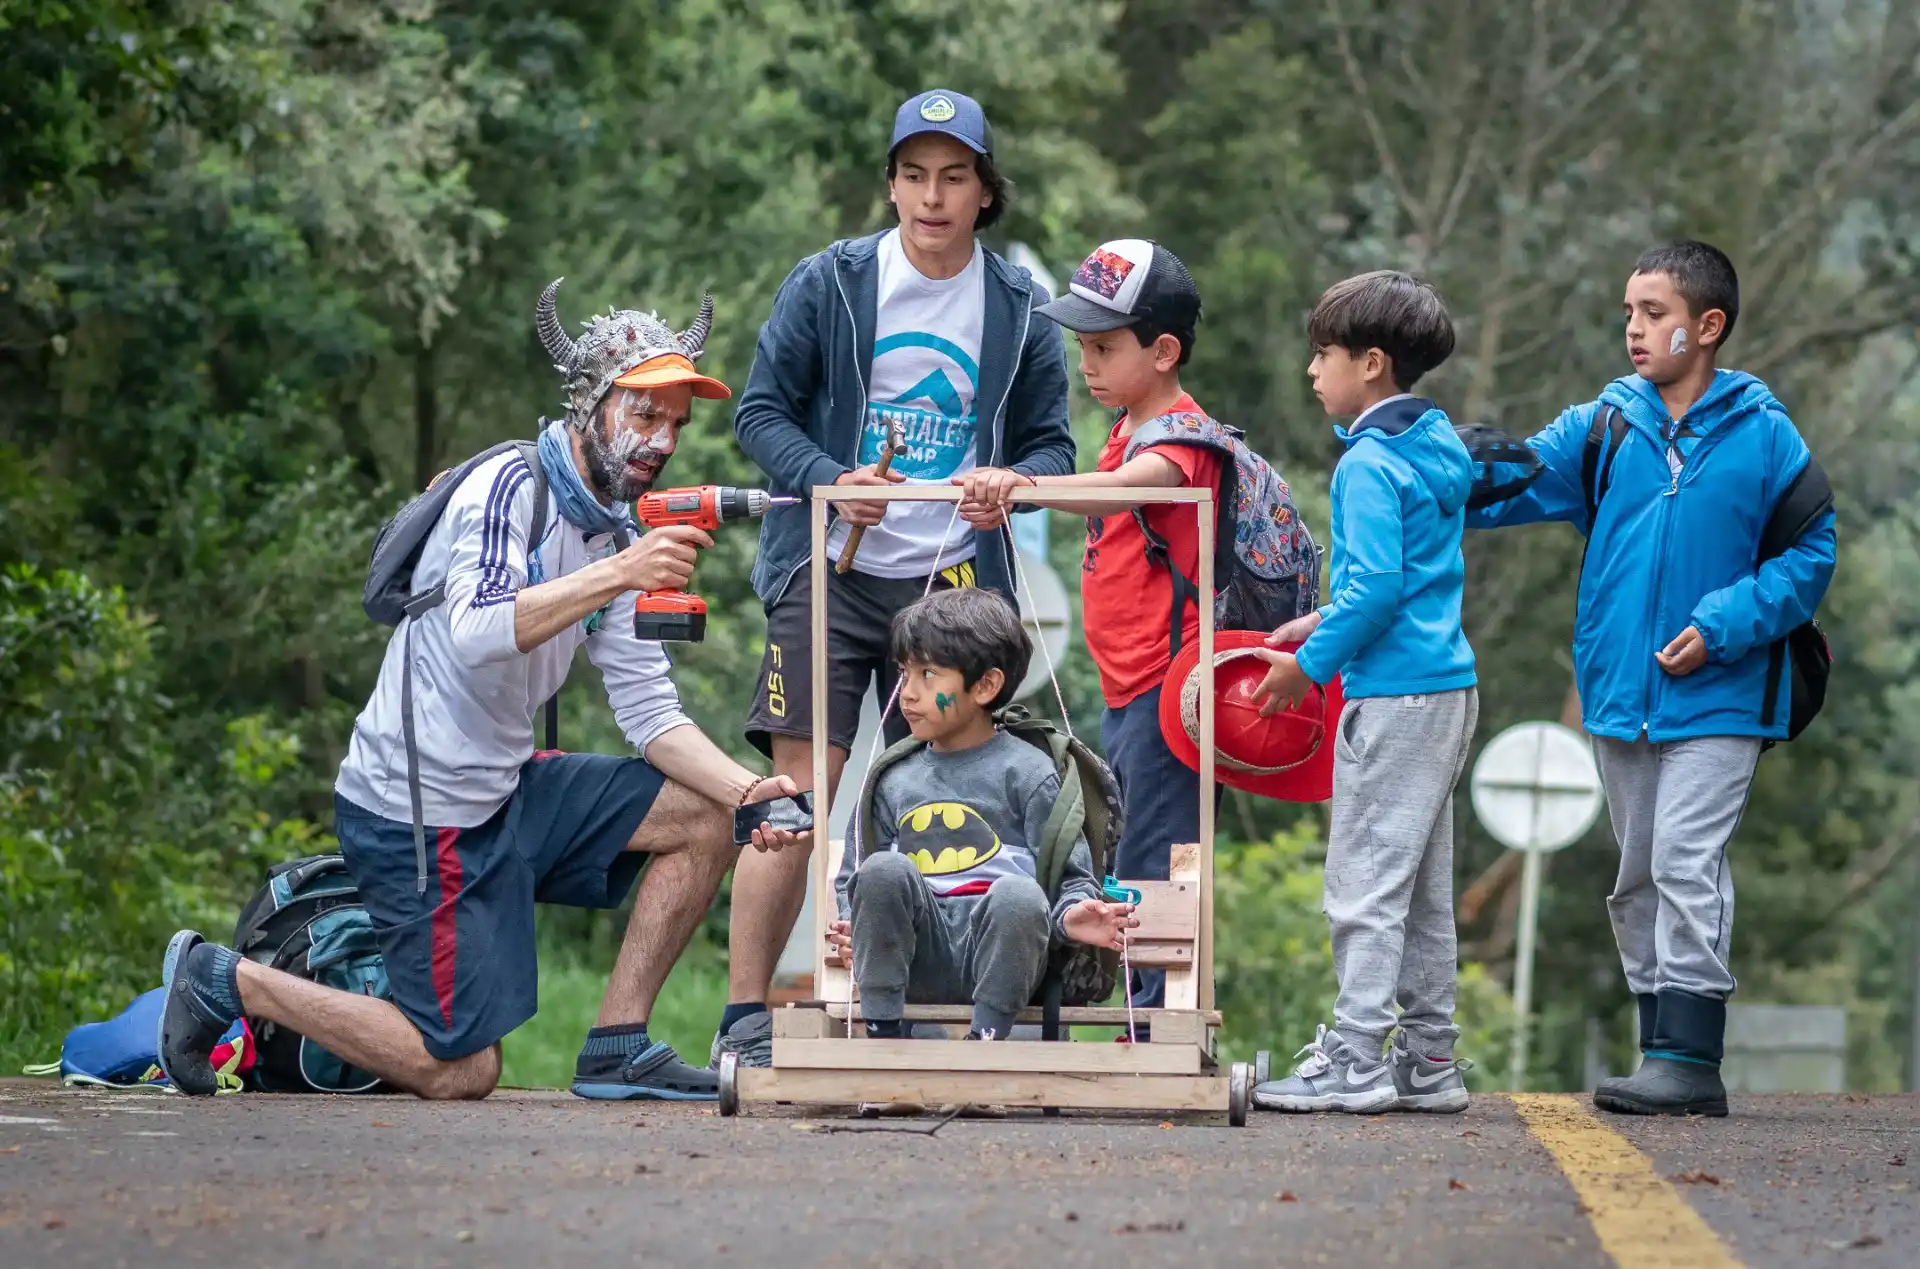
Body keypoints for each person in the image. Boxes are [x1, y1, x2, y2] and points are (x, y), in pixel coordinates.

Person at [156, 282, 811, 1102]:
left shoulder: (619, 528)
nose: (662, 440)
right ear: (592, 405)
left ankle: (616, 1043)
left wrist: (754, 793)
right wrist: (622, 571)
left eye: (676, 422)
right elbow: (474, 630)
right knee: (463, 1067)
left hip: (504, 787)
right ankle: (226, 977)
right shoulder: (506, 488)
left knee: (706, 813)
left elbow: (647, 712)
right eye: (645, 414)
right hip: (414, 811)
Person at [721, 88, 1075, 1067]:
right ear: (890, 185)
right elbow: (759, 415)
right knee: (798, 794)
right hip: (829, 572)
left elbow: (1053, 444)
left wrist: (1013, 483)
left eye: (953, 178)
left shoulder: (1019, 307)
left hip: (953, 589)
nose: (932, 196)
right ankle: (745, 1020)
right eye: (914, 176)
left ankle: (960, 1002)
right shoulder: (829, 282)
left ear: (984, 194)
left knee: (967, 786)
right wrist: (832, 482)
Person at [1467, 242, 1836, 1116]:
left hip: (1723, 692)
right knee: (1636, 872)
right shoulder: (1608, 424)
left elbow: (1811, 557)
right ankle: (1659, 1050)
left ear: (1707, 327)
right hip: (1619, 692)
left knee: (1684, 855)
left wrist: (1718, 628)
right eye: (1630, 312)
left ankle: (1690, 1057)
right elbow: (1511, 479)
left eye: (1655, 313)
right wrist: (1411, 448)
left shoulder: (1765, 433)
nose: (1635, 330)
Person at [962, 239, 1221, 1029]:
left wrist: (1023, 483)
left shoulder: (1180, 435)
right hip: (1130, 684)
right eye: (1082, 345)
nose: (1088, 362)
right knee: (1127, 845)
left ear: (1164, 351)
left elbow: (1124, 494)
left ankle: (1156, 1024)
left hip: (1169, 688)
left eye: (1105, 347)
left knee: (1156, 857)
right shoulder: (1129, 424)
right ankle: (1142, 1015)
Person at [1246, 270, 1480, 1114]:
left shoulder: (1369, 463)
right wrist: (1321, 623)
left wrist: (1304, 670)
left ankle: (1354, 1056)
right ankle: (1427, 1057)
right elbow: (1403, 582)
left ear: (1372, 363)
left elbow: (1378, 588)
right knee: (1417, 883)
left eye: (1325, 354)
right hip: (1445, 687)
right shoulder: (1436, 446)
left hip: (1393, 696)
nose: (1313, 371)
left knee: (1363, 880)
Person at [829, 588, 1137, 1041]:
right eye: (904, 673)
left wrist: (1072, 915)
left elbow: (1071, 880)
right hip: (915, 959)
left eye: (928, 674)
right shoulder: (893, 778)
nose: (907, 694)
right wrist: (854, 924)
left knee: (1017, 893)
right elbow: (856, 876)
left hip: (1004, 961)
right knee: (884, 870)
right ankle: (884, 1038)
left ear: (985, 686)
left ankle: (985, 1044)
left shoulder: (1031, 773)